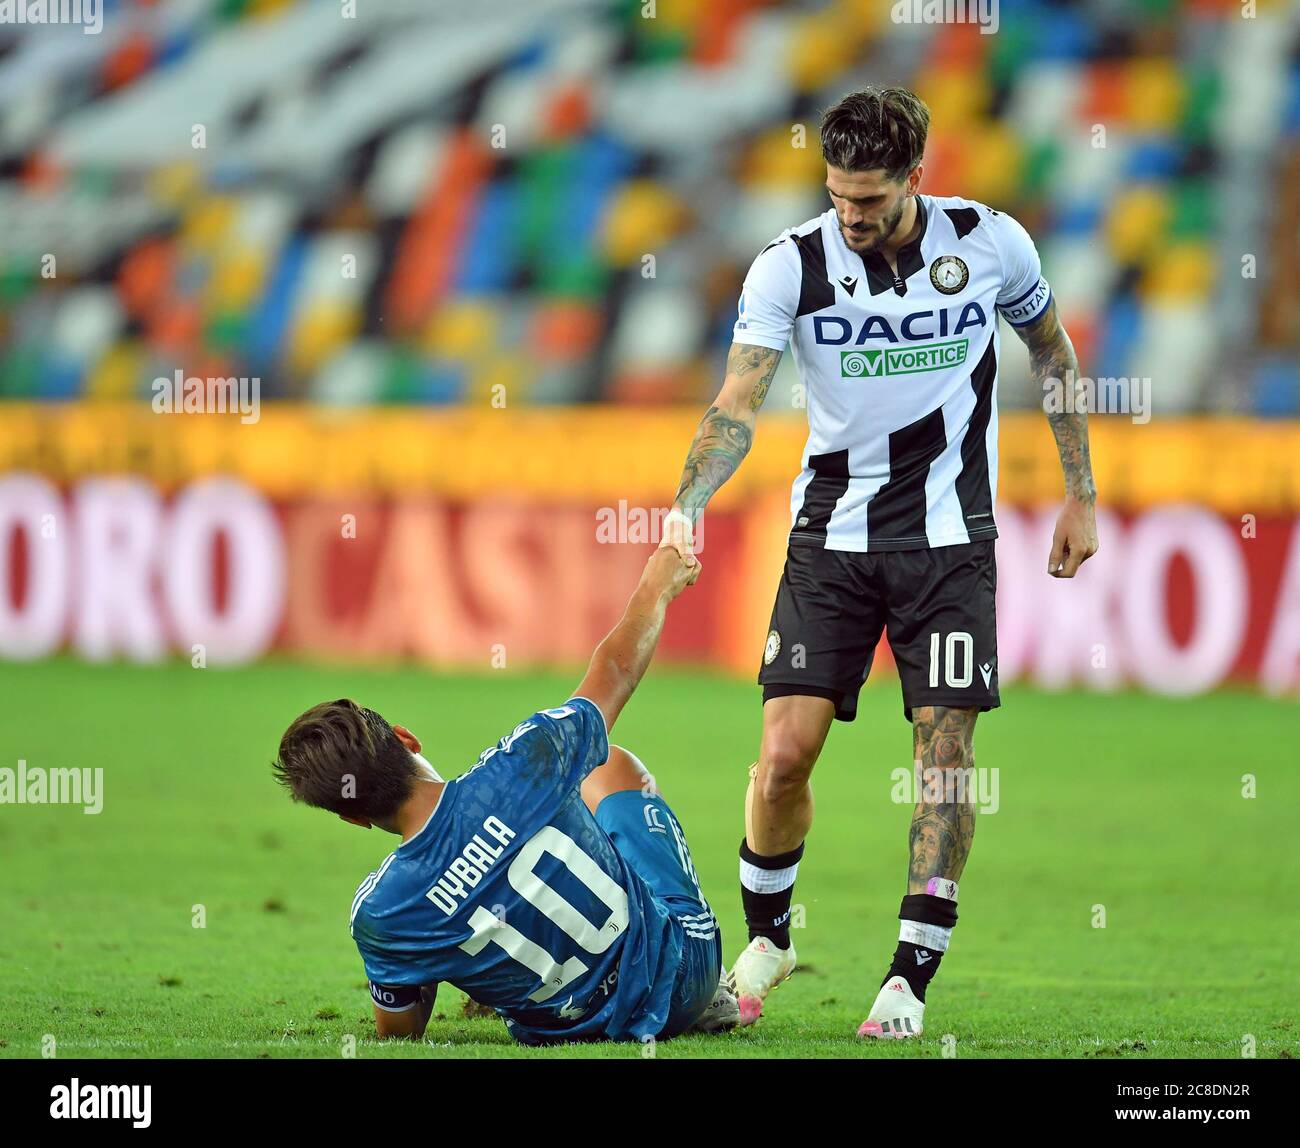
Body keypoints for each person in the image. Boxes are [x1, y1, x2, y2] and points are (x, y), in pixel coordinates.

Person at [659, 86, 1098, 1038]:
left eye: (870, 200)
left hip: (949, 547)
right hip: (831, 543)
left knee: (943, 761)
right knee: (783, 755)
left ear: (915, 178)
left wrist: (1080, 491)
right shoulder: (790, 265)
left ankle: (907, 975)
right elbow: (738, 400)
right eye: (837, 197)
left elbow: (1054, 354)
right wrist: (689, 502)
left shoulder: (990, 242)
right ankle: (768, 936)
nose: (850, 217)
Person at [271, 549, 738, 1045]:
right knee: (612, 765)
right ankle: (708, 978)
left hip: (567, 1034)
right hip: (682, 982)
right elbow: (616, 670)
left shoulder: (381, 911)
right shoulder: (523, 759)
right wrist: (656, 588)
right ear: (407, 739)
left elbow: (400, 1033)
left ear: (353, 817)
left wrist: (421, 952)